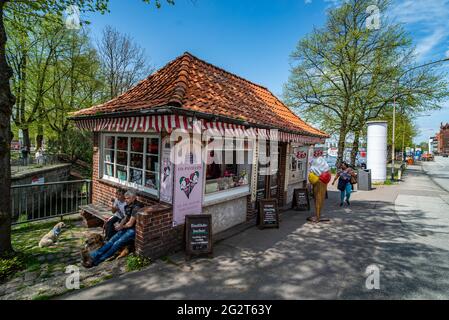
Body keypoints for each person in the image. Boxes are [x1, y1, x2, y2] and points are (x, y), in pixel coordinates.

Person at [82, 190, 143, 268]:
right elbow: (126, 217)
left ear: (133, 198)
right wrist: (120, 225)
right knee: (111, 240)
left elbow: (130, 223)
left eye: (127, 198)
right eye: (125, 198)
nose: (126, 200)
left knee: (117, 243)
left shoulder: (137, 207)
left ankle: (96, 261)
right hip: (126, 227)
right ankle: (93, 256)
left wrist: (121, 227)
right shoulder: (128, 205)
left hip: (133, 230)